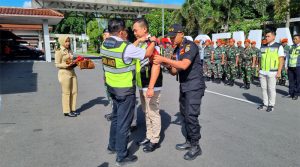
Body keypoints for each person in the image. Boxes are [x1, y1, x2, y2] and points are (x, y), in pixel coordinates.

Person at [100, 18, 156, 166]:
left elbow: (129, 48)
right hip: (125, 91)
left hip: (112, 88)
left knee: (116, 119)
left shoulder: (105, 44)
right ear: (121, 32)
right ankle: (122, 155)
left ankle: (111, 146)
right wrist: (153, 41)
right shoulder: (126, 47)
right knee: (124, 124)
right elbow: (146, 54)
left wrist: (139, 41)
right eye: (125, 30)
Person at [153, 24, 205, 161]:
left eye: (173, 36)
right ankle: (189, 141)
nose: (171, 39)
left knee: (191, 115)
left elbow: (184, 65)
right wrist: (168, 65)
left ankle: (196, 146)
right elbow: (175, 71)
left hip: (194, 86)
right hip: (185, 85)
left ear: (181, 33)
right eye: (170, 36)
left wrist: (164, 59)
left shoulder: (190, 46)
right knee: (184, 114)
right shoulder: (177, 49)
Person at [132, 18, 162, 153]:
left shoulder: (153, 43)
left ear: (144, 29)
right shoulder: (140, 43)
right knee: (146, 113)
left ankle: (155, 140)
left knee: (153, 113)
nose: (134, 32)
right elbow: (130, 50)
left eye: (135, 30)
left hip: (151, 85)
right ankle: (149, 136)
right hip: (141, 84)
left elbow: (155, 64)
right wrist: (139, 40)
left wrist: (150, 87)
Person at [257, 28, 285, 112]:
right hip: (262, 72)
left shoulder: (278, 46)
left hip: (272, 72)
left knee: (271, 89)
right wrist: (258, 69)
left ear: (273, 37)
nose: (266, 38)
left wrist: (279, 72)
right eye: (266, 36)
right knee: (263, 88)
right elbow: (260, 59)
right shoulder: (263, 46)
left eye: (268, 36)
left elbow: (281, 59)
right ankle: (265, 104)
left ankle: (271, 105)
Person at [55, 35, 79, 117]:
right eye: (66, 41)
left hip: (72, 72)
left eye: (68, 41)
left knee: (74, 91)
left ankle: (72, 109)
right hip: (64, 73)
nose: (68, 43)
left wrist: (76, 62)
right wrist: (66, 65)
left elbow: (71, 60)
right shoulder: (59, 51)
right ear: (61, 41)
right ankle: (66, 111)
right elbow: (57, 64)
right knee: (66, 93)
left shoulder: (70, 50)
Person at [286, 34, 300, 100]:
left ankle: (296, 94)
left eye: (296, 39)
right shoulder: (290, 47)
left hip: (298, 67)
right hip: (290, 66)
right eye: (293, 39)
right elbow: (288, 57)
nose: (294, 40)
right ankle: (290, 93)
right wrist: (286, 66)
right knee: (291, 80)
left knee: (297, 81)